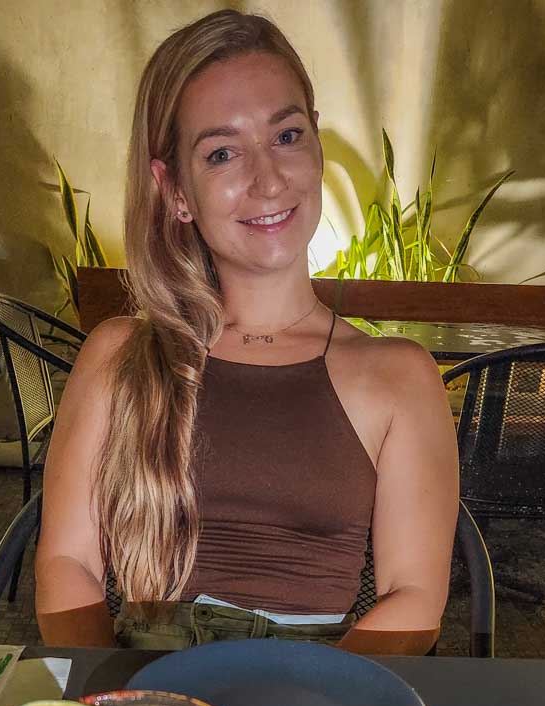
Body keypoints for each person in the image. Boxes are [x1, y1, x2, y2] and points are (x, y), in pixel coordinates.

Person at [36, 9, 459, 655]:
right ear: (174, 189)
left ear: (316, 145)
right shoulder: (121, 356)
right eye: (223, 152)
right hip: (147, 683)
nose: (267, 179)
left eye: (286, 135)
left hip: (318, 682)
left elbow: (413, 601)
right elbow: (68, 564)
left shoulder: (398, 374)